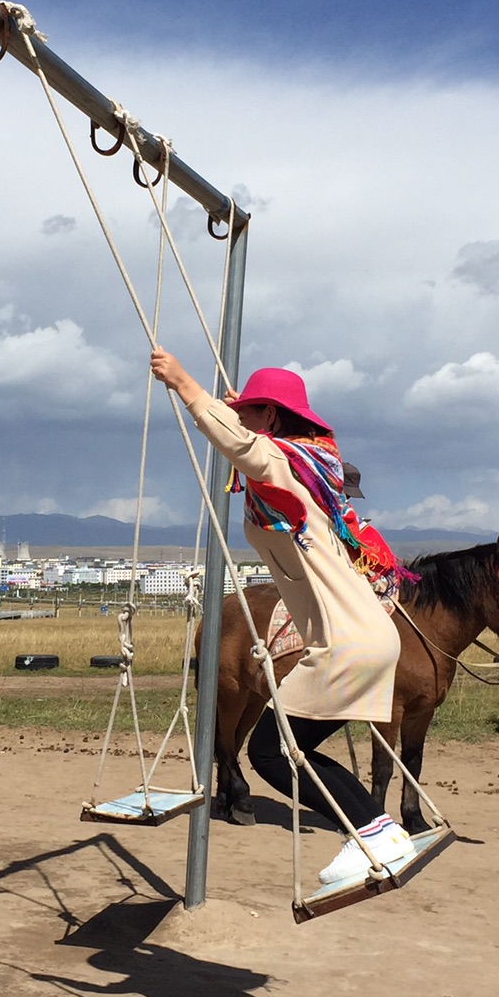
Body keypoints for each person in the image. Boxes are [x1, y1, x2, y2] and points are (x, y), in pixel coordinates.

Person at [149, 348, 415, 887]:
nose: (241, 418)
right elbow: (251, 446)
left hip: (344, 645)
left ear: (270, 418)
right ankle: (375, 829)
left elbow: (246, 447)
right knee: (298, 749)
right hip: (371, 638)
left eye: (250, 410)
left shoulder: (283, 466)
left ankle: (374, 831)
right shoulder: (304, 470)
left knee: (270, 753)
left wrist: (183, 384)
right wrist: (236, 412)